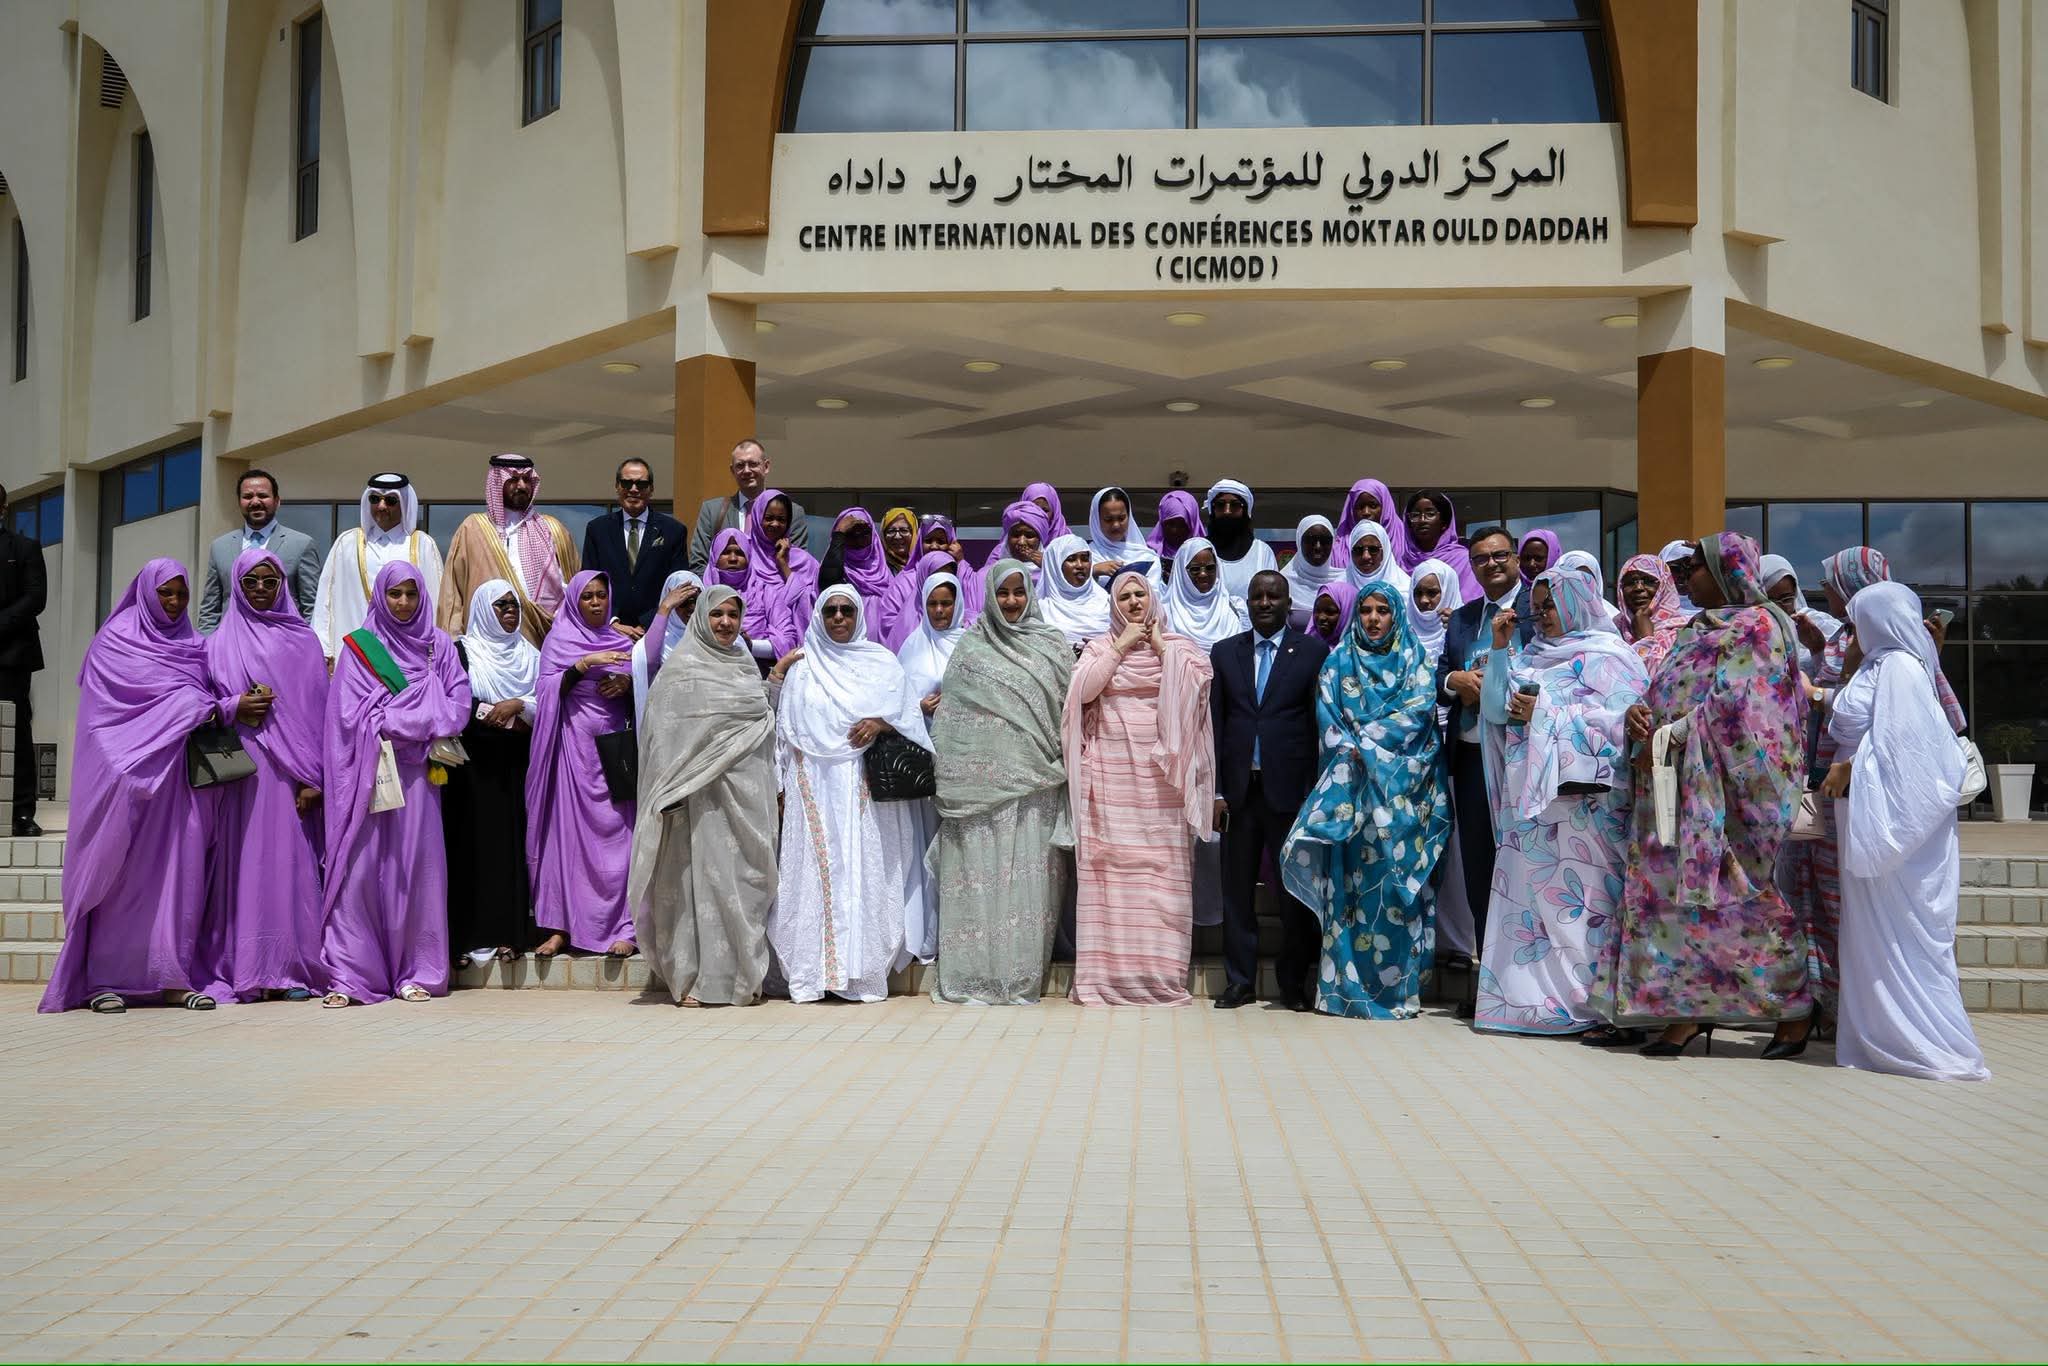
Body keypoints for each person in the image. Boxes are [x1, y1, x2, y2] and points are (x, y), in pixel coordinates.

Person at [1599, 533, 1811, 1058]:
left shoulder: (1761, 626)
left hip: (1728, 796)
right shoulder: (1697, 627)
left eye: (1695, 566)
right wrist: (1640, 714)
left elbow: (1748, 709)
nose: (1686, 576)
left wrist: (1674, 732)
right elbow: (1668, 689)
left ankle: (1793, 1007)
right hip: (1674, 786)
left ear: (1726, 572)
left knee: (1742, 896)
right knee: (1675, 900)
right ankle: (1688, 1009)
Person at [1782, 544, 1967, 1039]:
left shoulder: (1899, 658)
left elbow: (1905, 738)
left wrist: (1850, 764)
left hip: (1862, 801)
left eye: (1833, 585)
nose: (1826, 592)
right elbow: (1849, 703)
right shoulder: (1856, 649)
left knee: (1863, 910)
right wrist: (1825, 661)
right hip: (1829, 795)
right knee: (1821, 896)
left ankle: (1878, 1018)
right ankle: (1841, 1010)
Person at [40, 560, 230, 1013]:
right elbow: (101, 720)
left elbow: (205, 702)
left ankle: (172, 980)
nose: (175, 602)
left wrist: (209, 707)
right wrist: (136, 759)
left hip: (177, 787)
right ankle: (104, 981)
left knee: (177, 880)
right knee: (118, 882)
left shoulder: (193, 645)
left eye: (182, 594)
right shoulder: (115, 642)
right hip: (127, 785)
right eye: (166, 593)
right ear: (146, 592)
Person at [1819, 582, 1988, 1082]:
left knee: (1905, 936)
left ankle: (1928, 1044)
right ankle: (1882, 1038)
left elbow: (1911, 752)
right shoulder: (1878, 665)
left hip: (1894, 828)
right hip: (1865, 816)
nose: (1852, 634)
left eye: (1858, 624)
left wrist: (1851, 768)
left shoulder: (1901, 667)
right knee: (1870, 937)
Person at [1473, 569, 1648, 1037]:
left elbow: (1623, 723)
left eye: (1549, 605)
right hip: (1533, 807)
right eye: (1537, 607)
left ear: (1575, 602)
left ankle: (1592, 1004)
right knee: (1536, 909)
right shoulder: (1531, 656)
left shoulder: (1611, 658)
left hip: (1587, 809)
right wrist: (1499, 650)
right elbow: (1494, 710)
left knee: (1587, 905)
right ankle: (1535, 1004)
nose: (1541, 615)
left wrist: (1545, 713)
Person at [1282, 579, 1449, 1019]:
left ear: (1396, 615)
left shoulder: (1415, 659)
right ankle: (1343, 992)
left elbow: (1419, 716)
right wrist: (1357, 751)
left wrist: (1368, 745)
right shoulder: (1338, 662)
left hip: (1403, 801)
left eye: (1383, 610)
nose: (1373, 619)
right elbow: (1329, 723)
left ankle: (1398, 994)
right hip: (1353, 800)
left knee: (1396, 892)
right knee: (1351, 895)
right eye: (1366, 610)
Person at [769, 585, 933, 1003]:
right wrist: (782, 784)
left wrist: (881, 723)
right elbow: (785, 734)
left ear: (858, 615)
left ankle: (860, 973)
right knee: (814, 871)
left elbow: (910, 718)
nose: (839, 617)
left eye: (846, 610)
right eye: (831, 611)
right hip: (813, 785)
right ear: (819, 617)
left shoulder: (881, 663)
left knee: (864, 869)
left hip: (863, 785)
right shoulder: (803, 669)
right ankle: (812, 974)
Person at [319, 562, 473, 1007]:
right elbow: (347, 716)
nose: (403, 603)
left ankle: (417, 971)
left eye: (411, 593)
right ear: (379, 597)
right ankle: (351, 974)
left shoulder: (438, 646)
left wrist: (397, 718)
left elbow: (458, 706)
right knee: (362, 871)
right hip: (371, 774)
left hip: (420, 777)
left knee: (415, 872)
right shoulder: (359, 648)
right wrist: (412, 718)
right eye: (394, 594)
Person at [1064, 572, 1216, 1007]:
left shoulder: (1181, 647)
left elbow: (1198, 688)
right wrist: (1121, 646)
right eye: (1125, 597)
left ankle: (1160, 975)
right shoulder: (1100, 647)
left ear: (1152, 599)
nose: (1133, 602)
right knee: (1110, 873)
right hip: (1111, 782)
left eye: (1140, 595)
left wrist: (1161, 647)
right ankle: (1108, 976)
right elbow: (1083, 691)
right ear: (1114, 606)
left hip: (1164, 784)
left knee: (1162, 877)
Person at [929, 560, 1076, 1005]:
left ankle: (1019, 978)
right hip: (977, 794)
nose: (1011, 601)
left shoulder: (1052, 647)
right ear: (990, 597)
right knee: (980, 881)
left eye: (1019, 592)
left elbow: (1068, 715)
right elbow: (952, 722)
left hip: (1037, 786)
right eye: (1003, 593)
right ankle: (974, 977)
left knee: (1027, 888)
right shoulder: (971, 649)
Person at [630, 585, 780, 1008]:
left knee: (742, 887)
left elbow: (762, 728)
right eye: (717, 614)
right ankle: (693, 980)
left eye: (733, 614)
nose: (726, 623)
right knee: (692, 891)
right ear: (700, 618)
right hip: (694, 802)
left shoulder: (745, 667)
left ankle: (742, 978)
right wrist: (671, 786)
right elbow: (660, 736)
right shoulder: (680, 671)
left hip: (745, 800)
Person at [199, 548, 330, 1002]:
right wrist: (233, 706)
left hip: (292, 778)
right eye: (250, 581)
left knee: (288, 868)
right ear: (236, 585)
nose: (259, 588)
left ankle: (291, 968)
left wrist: (315, 779)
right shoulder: (217, 643)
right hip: (240, 774)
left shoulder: (304, 642)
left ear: (282, 585)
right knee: (241, 869)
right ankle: (244, 969)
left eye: (269, 581)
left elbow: (320, 715)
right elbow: (199, 706)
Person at [1210, 570, 1329, 1010]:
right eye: (1257, 596)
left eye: (1273, 596)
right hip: (1239, 793)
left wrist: (1314, 791)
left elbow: (1318, 725)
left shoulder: (1312, 652)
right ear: (1247, 603)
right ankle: (1240, 981)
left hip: (1291, 793)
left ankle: (1292, 983)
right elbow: (1216, 724)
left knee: (1292, 891)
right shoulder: (1226, 653)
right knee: (1236, 890)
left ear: (1287, 603)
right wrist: (1217, 792)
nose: (1264, 603)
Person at [1434, 526, 1537, 1015]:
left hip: (1523, 759)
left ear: (1515, 559)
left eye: (1499, 556)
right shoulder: (1462, 618)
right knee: (1480, 871)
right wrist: (1457, 680)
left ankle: (1527, 984)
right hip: (1473, 759)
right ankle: (1489, 986)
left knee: (1525, 868)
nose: (1491, 564)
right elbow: (1439, 674)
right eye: (1480, 559)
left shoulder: (1540, 610)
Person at [527, 571, 640, 959]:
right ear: (575, 601)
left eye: (601, 596)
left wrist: (627, 686)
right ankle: (562, 927)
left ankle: (625, 926)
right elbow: (545, 690)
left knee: (620, 839)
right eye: (587, 596)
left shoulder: (623, 643)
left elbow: (648, 687)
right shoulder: (559, 640)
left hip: (614, 753)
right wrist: (581, 665)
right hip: (572, 753)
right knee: (568, 841)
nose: (595, 602)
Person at [444, 579, 541, 966]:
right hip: (472, 767)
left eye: (514, 605)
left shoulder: (530, 655)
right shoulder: (462, 651)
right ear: (484, 609)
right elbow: (455, 700)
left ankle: (508, 935)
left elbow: (547, 698)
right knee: (470, 847)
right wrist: (494, 713)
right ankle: (466, 939)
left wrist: (520, 707)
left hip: (515, 765)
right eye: (501, 606)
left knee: (510, 848)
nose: (510, 612)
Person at [438, 454, 580, 645]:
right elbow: (454, 595)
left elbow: (576, 589)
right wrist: (453, 644)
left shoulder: (553, 529)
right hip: (487, 647)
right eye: (513, 479)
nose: (521, 486)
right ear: (497, 482)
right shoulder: (472, 529)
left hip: (548, 643)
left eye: (526, 479)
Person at [897, 570, 965, 965]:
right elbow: (895, 703)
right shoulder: (911, 647)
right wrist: (918, 707)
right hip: (924, 763)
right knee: (927, 849)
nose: (940, 611)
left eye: (946, 603)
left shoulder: (971, 644)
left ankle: (962, 936)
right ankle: (929, 934)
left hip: (964, 759)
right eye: (933, 604)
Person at [311, 474, 446, 662]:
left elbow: (436, 600)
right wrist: (324, 648)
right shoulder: (347, 543)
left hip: (408, 655)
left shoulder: (422, 545)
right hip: (355, 654)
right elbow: (325, 599)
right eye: (375, 499)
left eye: (391, 500)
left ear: (404, 503)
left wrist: (436, 652)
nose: (381, 506)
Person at [198, 468, 321, 630]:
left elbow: (312, 607)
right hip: (232, 642)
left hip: (281, 641)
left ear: (277, 501)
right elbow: (210, 609)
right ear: (239, 502)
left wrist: (305, 641)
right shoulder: (220, 547)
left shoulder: (301, 544)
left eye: (263, 495)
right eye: (248, 496)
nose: (255, 502)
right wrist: (209, 642)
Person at [579, 458, 689, 631]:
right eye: (626, 483)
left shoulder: (673, 531)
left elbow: (677, 585)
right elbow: (588, 580)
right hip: (608, 629)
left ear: (651, 489)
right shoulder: (597, 529)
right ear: (617, 486)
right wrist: (612, 621)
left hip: (658, 628)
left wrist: (647, 624)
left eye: (641, 484)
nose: (633, 489)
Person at [688, 437, 811, 571]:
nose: (746, 471)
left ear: (766, 466)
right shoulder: (712, 511)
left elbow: (797, 564)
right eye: (740, 465)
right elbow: (698, 563)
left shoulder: (792, 512)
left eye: (753, 464)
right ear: (732, 470)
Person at [0, 484, 47, 835]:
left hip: (11, 655)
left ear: (3, 508)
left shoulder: (24, 547)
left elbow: (35, 597)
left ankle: (21, 813)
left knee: (15, 733)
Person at [631, 571, 702, 727]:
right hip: (669, 723)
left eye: (696, 601)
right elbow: (648, 662)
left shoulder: (711, 634)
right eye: (682, 602)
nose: (691, 607)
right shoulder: (660, 639)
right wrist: (665, 607)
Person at [1759, 553, 1840, 679]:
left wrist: (1817, 648)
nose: (1779, 608)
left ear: (1795, 594)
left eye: (1786, 599)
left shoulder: (1819, 624)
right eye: (1770, 601)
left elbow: (1842, 676)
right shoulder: (1748, 633)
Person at [1203, 479, 1278, 609]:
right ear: (1213, 510)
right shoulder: (1200, 550)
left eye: (1235, 505)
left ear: (1245, 511)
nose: (1227, 511)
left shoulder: (1262, 552)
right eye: (1220, 505)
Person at [1398, 489, 1481, 601]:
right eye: (1415, 515)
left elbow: (1472, 603)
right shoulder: (1402, 562)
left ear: (1444, 522)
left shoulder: (1463, 560)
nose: (1422, 520)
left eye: (1430, 514)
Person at [1615, 552, 1689, 670]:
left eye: (1648, 581)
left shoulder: (1686, 633)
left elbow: (1669, 677)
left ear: (1665, 585)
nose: (1638, 588)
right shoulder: (1613, 631)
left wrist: (1645, 640)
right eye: (1630, 582)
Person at [1037, 533, 1111, 648]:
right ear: (1054, 565)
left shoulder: (1108, 602)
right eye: (1071, 559)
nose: (1080, 565)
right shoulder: (1040, 611)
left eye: (1085, 559)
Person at [1280, 515, 1341, 632]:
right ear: (1299, 541)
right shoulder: (1283, 584)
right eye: (1311, 540)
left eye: (1325, 541)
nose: (1318, 547)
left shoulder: (1344, 581)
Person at [1555, 549, 1631, 636]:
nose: (1582, 585)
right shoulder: (1551, 617)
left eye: (1587, 579)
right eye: (1574, 579)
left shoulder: (1614, 619)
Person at [1335, 478, 1406, 564]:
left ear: (1385, 508)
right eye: (1360, 507)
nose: (1366, 512)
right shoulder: (1337, 549)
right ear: (1351, 511)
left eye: (1373, 506)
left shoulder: (1406, 543)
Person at [1086, 486, 1149, 579]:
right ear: (1096, 520)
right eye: (1108, 519)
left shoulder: (1147, 557)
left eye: (1121, 518)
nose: (1116, 525)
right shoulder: (1085, 558)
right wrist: (1092, 571)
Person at [1145, 490, 1204, 582]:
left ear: (1192, 525)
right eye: (1170, 524)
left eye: (1182, 524)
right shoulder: (1147, 556)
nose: (1175, 530)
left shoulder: (1207, 557)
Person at [1001, 499, 1052, 568]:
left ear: (1040, 540)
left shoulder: (1054, 570)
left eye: (1029, 536)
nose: (1021, 542)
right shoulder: (993, 571)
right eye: (1016, 535)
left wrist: (1048, 568)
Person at [1307, 582, 1358, 651]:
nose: (1321, 617)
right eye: (1317, 610)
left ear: (1348, 613)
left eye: (1330, 612)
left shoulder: (1358, 654)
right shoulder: (1306, 646)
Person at [879, 507, 920, 575]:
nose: (897, 537)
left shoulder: (924, 565)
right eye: (891, 531)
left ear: (914, 534)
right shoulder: (877, 567)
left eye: (904, 530)